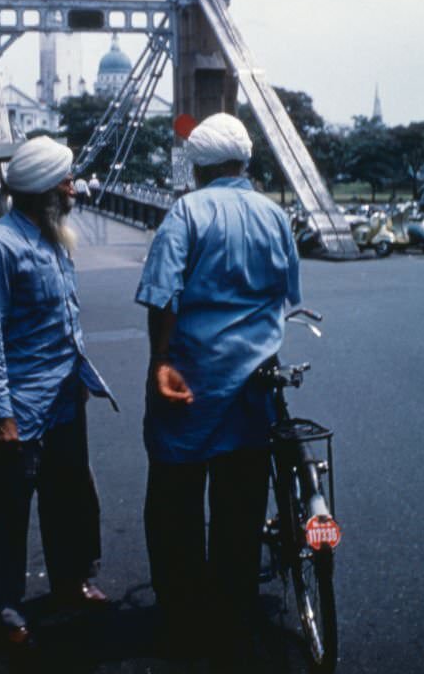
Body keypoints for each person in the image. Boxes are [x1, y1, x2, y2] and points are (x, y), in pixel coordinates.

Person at [135, 113, 301, 662]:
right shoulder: (275, 215)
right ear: (244, 162)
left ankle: (182, 612)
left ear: (199, 167)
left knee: (175, 496)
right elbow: (287, 295)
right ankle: (233, 612)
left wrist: (160, 359)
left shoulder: (187, 211)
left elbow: (163, 293)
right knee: (241, 501)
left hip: (192, 378)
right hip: (255, 382)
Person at [0, 135, 117, 650]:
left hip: (63, 400)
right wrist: (1, 415)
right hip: (21, 407)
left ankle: (71, 581)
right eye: (67, 181)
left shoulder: (54, 237)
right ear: (45, 192)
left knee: (70, 498)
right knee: (7, 513)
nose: (74, 188)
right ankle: (4, 611)